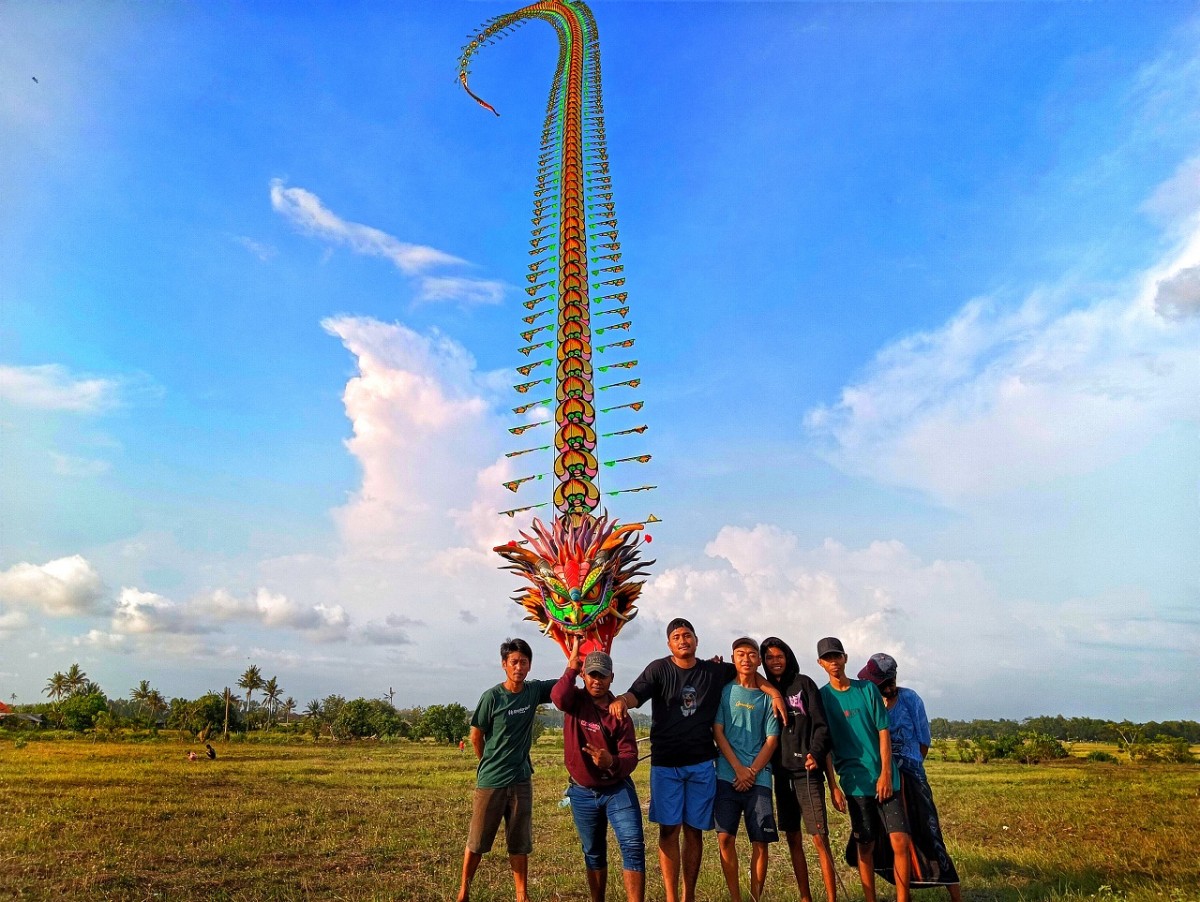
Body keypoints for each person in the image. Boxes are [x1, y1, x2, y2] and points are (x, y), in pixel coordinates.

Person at [609, 618, 784, 902]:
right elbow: (635, 694)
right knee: (669, 830)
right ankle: (671, 897)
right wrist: (621, 701)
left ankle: (688, 895)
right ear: (669, 644)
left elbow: (747, 671)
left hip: (702, 764)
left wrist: (773, 692)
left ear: (696, 640)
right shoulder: (659, 669)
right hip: (666, 764)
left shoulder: (711, 670)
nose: (682, 640)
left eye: (687, 635)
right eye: (676, 636)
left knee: (694, 831)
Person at [458, 637, 556, 902]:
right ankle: (464, 891)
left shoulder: (533, 691)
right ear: (504, 664)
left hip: (521, 780)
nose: (519, 667)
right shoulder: (492, 697)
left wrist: (576, 659)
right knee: (477, 840)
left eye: (524, 662)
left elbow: (563, 684)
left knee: (519, 841)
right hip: (492, 780)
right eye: (514, 662)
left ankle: (521, 896)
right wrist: (487, 763)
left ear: (530, 666)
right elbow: (476, 735)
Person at [858, 653, 962, 901]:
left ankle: (956, 895)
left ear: (889, 681)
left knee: (929, 833)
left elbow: (924, 741)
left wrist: (911, 766)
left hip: (912, 775)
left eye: (877, 682)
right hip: (882, 777)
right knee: (887, 837)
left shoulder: (910, 699)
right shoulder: (870, 702)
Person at [817, 637, 913, 902]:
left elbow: (884, 731)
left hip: (884, 778)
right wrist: (833, 786)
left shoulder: (867, 690)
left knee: (900, 842)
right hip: (854, 781)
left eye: (837, 656)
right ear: (821, 663)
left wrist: (885, 773)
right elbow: (824, 744)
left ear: (845, 658)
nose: (833, 662)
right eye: (828, 658)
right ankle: (869, 898)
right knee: (865, 844)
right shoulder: (823, 698)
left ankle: (903, 898)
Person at [552, 638, 645, 902]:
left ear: (611, 678)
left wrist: (611, 762)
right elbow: (557, 696)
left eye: (602, 676)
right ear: (584, 675)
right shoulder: (575, 701)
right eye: (591, 674)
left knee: (633, 846)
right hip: (581, 792)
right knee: (593, 852)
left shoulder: (619, 713)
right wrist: (570, 667)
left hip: (617, 790)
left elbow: (630, 757)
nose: (597, 681)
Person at [760, 636, 839, 902]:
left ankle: (831, 898)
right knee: (793, 837)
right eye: (769, 657)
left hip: (808, 773)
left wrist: (815, 753)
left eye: (779, 656)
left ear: (788, 656)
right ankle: (805, 897)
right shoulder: (765, 688)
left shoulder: (804, 684)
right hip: (781, 774)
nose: (774, 661)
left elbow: (821, 725)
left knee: (819, 838)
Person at [713, 637, 780, 902]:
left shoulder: (768, 697)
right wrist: (738, 768)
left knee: (760, 842)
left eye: (752, 654)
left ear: (759, 660)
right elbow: (718, 731)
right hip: (727, 775)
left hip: (759, 778)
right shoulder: (725, 692)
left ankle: (755, 897)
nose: (746, 659)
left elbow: (772, 739)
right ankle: (735, 897)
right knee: (725, 838)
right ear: (733, 659)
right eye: (740, 654)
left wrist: (750, 771)